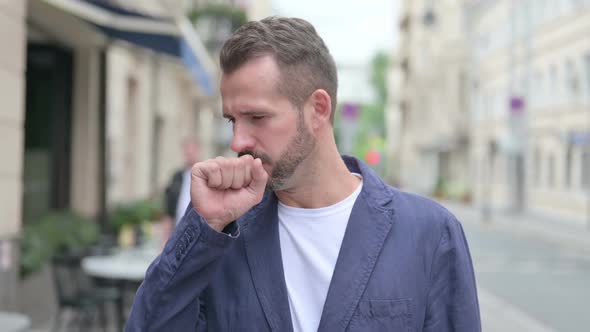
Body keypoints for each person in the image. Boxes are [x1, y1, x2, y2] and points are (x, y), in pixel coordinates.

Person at [126, 16, 481, 332]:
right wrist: (202, 225)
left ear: (318, 110)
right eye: (233, 120)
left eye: (257, 117)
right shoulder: (221, 236)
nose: (238, 141)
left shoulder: (429, 233)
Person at [164, 138, 201, 226]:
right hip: (178, 225)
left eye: (192, 152)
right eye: (187, 153)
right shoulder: (177, 176)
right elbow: (169, 205)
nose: (189, 155)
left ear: (198, 151)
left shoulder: (206, 174)